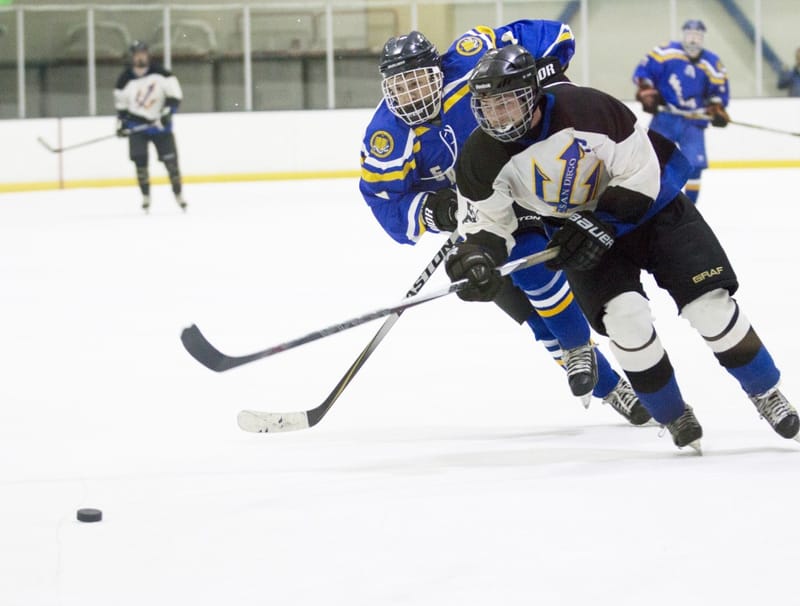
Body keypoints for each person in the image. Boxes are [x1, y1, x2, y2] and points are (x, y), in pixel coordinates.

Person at [445, 43, 799, 452]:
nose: (498, 115)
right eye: (488, 107)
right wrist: (477, 258)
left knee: (710, 307)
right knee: (625, 320)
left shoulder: (590, 109)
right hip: (579, 233)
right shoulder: (479, 157)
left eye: (506, 102)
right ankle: (673, 413)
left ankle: (766, 391)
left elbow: (641, 175)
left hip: (654, 212)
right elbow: (488, 225)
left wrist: (599, 223)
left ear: (531, 95)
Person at [359, 22, 652, 425]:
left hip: (522, 190)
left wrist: (541, 83)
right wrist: (434, 210)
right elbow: (383, 200)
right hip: (475, 222)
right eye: (401, 87)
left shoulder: (468, 58)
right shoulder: (385, 137)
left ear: (438, 70)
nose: (412, 95)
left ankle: (583, 348)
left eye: (419, 82)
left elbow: (554, 35)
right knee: (529, 315)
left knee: (533, 269)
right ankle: (612, 389)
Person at [632, 20, 730, 204]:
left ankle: (690, 208)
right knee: (653, 161)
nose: (693, 40)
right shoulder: (664, 53)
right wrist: (647, 92)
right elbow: (644, 73)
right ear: (683, 35)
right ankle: (651, 204)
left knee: (694, 165)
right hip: (665, 117)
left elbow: (718, 92)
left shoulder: (712, 62)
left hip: (693, 120)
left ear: (703, 38)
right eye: (690, 35)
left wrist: (716, 108)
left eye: (697, 36)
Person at [114, 40, 187, 213]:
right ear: (132, 57)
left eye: (143, 53)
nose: (140, 57)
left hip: (160, 126)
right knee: (140, 163)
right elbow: (122, 108)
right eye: (137, 54)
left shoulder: (162, 74)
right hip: (137, 126)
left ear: (148, 55)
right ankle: (146, 196)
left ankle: (178, 194)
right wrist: (121, 125)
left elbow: (174, 97)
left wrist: (167, 114)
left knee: (171, 163)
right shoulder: (124, 80)